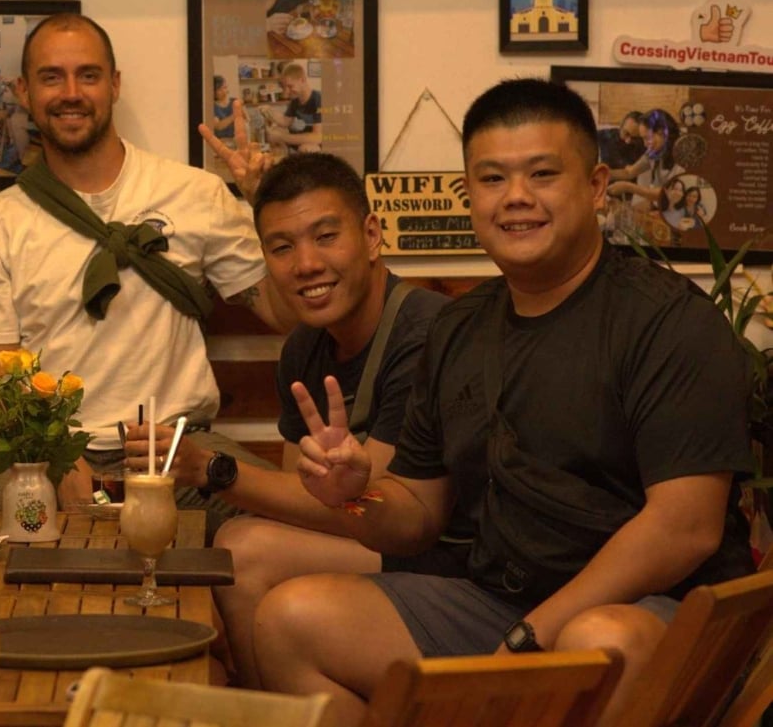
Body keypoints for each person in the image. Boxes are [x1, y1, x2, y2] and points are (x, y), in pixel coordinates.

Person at [256, 78, 754, 726]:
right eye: (492, 179)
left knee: (596, 641)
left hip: (654, 609)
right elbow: (415, 517)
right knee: (288, 619)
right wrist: (356, 491)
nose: (516, 198)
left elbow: (683, 528)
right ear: (470, 195)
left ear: (597, 186)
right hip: (501, 606)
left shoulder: (668, 322)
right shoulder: (457, 329)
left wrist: (536, 633)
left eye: (542, 173)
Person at [0, 13, 292, 529]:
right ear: (23, 91)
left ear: (114, 85)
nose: (71, 92)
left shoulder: (195, 194)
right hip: (41, 447)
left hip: (180, 445)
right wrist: (58, 456)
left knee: (288, 526)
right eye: (52, 77)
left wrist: (271, 209)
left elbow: (283, 313)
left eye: (88, 75)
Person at [144, 138, 451, 688]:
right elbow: (304, 492)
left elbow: (372, 506)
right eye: (281, 248)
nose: (306, 264)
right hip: (375, 543)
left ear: (373, 236)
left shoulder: (424, 331)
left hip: (442, 554)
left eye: (326, 237)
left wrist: (212, 472)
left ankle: (263, 705)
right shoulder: (303, 348)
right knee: (245, 544)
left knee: (244, 547)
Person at [263, 62, 322, 150]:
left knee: (306, 148)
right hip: (301, 139)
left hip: (317, 143)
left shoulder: (318, 99)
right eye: (285, 87)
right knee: (275, 132)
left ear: (302, 80)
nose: (286, 92)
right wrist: (269, 110)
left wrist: (283, 137)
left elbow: (317, 137)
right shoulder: (295, 100)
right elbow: (285, 122)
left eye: (290, 86)